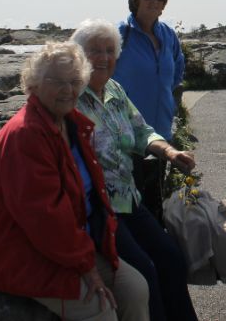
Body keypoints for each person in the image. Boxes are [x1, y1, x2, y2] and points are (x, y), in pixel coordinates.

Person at [0, 42, 149, 321]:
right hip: (28, 255)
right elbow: (45, 218)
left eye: (74, 81)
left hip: (70, 247)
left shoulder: (71, 123)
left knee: (136, 289)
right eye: (57, 81)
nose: (68, 90)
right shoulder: (25, 135)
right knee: (102, 310)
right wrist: (87, 267)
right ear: (32, 84)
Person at [71, 19, 199, 321]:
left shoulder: (115, 90)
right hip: (100, 209)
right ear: (79, 56)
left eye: (109, 51)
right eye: (94, 51)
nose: (103, 58)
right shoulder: (72, 97)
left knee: (171, 258)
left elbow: (142, 131)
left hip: (129, 198)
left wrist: (170, 151)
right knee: (146, 270)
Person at [113, 0, 184, 141]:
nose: (154, 1)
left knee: (159, 168)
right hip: (128, 133)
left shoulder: (169, 35)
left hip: (162, 131)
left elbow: (177, 72)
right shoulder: (120, 33)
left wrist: (165, 97)